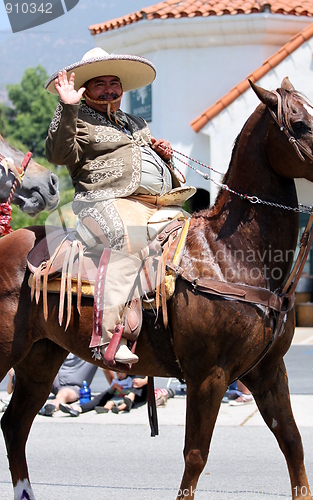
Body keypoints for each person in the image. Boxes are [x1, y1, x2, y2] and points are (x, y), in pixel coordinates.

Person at [45, 47, 194, 368]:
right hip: (103, 202)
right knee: (129, 238)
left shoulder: (136, 122)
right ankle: (110, 337)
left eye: (115, 83)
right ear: (85, 89)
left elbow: (142, 161)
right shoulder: (77, 116)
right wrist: (66, 107)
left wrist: (163, 158)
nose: (110, 89)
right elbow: (58, 154)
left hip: (157, 203)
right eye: (100, 84)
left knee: (193, 238)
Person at [59, 372, 174, 417]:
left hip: (139, 390)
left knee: (137, 381)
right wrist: (114, 386)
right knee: (106, 394)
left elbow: (151, 371)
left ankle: (127, 402)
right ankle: (79, 409)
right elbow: (107, 370)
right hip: (122, 390)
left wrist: (143, 381)